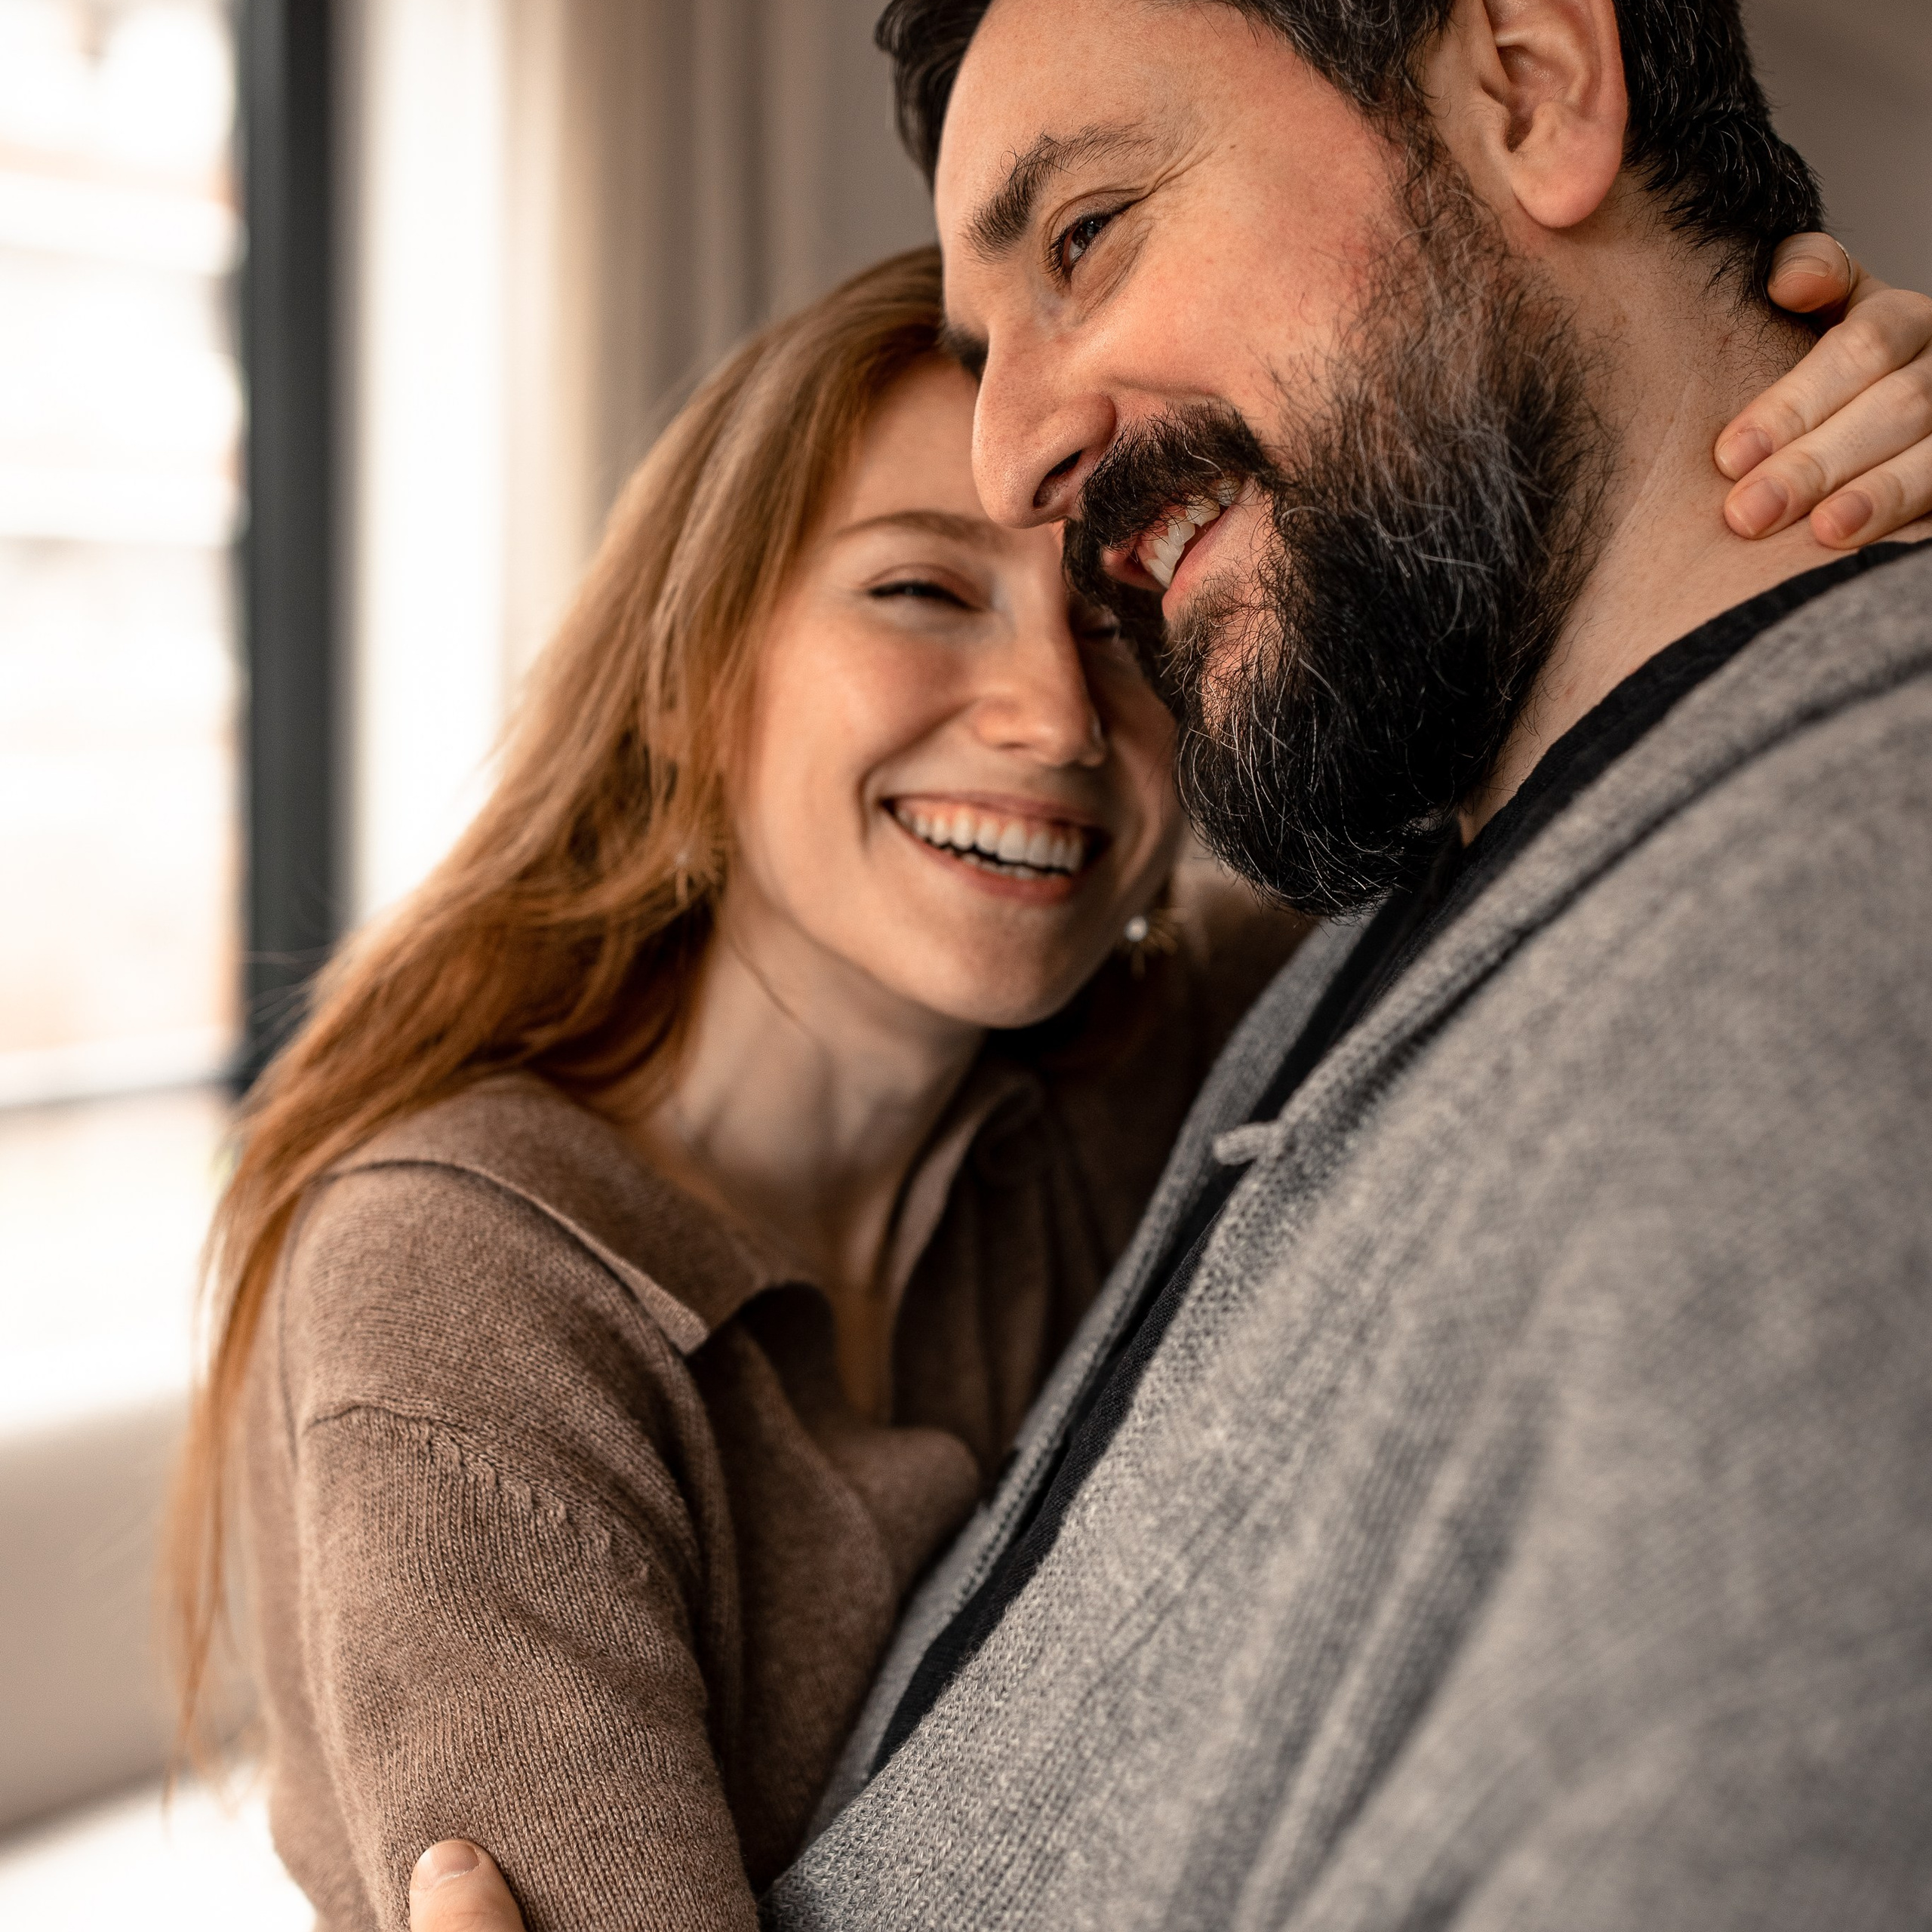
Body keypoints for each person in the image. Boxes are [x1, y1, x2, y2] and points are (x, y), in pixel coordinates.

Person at [404, 0, 1932, 1925]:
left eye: (1087, 234)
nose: (1015, 447)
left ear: (1530, 85)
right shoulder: (1383, 926)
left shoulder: (1831, 974)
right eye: (979, 353)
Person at [174, 248, 1310, 1931]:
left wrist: (1811, 468)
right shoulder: (464, 1283)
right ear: (690, 682)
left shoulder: (1139, 1056)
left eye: (1114, 621)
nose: (1057, 714)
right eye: (921, 591)